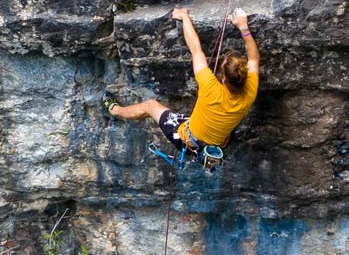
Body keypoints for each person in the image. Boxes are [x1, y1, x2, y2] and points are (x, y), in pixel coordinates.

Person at [108, 8, 260, 159]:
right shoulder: (250, 91)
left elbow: (195, 49)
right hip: (215, 145)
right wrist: (244, 27)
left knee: (150, 106)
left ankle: (115, 110)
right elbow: (253, 59)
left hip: (186, 141)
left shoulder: (210, 87)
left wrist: (184, 17)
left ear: (224, 79)